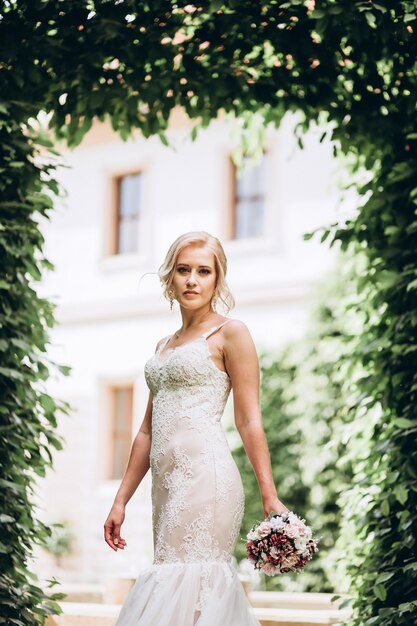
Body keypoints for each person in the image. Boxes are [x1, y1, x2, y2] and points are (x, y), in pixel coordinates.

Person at [104, 231, 289, 626]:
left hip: (207, 478)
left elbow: (248, 419)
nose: (192, 280)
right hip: (165, 485)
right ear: (170, 277)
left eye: (203, 271)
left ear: (217, 280)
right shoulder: (162, 346)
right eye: (183, 270)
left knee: (191, 585)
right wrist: (121, 500)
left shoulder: (231, 333)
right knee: (173, 588)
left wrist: (269, 496)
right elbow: (146, 432)